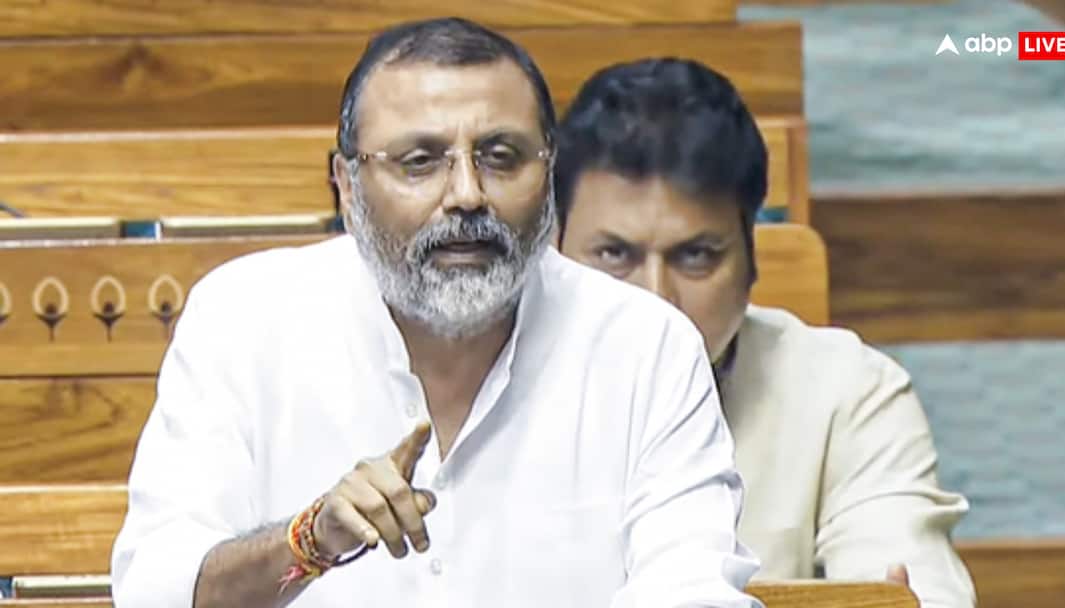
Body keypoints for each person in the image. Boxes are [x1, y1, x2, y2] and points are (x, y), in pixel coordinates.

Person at [110, 19, 763, 608]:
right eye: (420, 162)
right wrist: (309, 542)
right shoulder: (244, 320)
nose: (467, 195)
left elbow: (692, 590)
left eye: (501, 157)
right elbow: (158, 593)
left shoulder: (646, 345)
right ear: (347, 186)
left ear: (549, 173)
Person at [555, 58, 977, 608]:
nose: (656, 302)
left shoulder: (847, 393)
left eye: (696, 256)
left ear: (751, 260)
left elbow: (914, 586)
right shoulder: (475, 383)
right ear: (552, 252)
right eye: (614, 254)